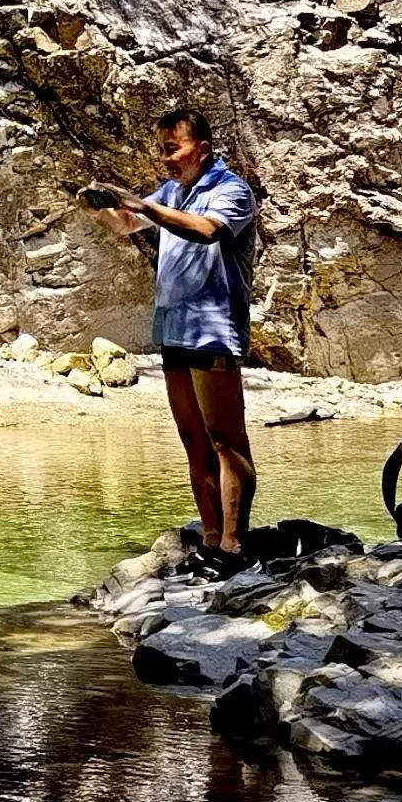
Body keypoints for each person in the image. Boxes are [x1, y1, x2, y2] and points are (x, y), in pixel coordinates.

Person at [112, 105, 261, 568]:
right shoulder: (173, 192)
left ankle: (235, 544)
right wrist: (101, 208)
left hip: (213, 330)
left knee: (225, 442)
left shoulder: (232, 191)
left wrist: (144, 205)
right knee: (193, 440)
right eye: (162, 150)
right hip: (173, 331)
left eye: (172, 149)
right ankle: (211, 538)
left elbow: (206, 231)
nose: (166, 159)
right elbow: (126, 226)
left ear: (203, 148)